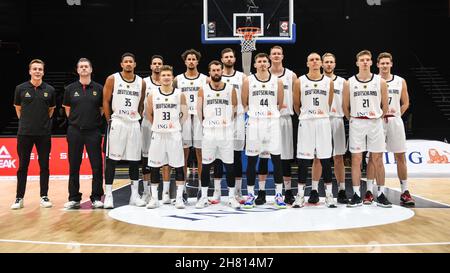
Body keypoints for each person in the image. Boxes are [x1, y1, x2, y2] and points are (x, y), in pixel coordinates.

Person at [343, 49, 391, 208]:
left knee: (377, 159)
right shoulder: (349, 82)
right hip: (357, 122)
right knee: (356, 159)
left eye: (367, 60)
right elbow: (345, 107)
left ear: (371, 62)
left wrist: (376, 116)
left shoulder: (381, 82)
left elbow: (385, 106)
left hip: (375, 122)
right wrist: (353, 118)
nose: (364, 62)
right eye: (361, 60)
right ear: (357, 63)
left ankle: (381, 194)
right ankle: (356, 195)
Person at [365, 52, 414, 206]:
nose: (385, 66)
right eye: (382, 63)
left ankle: (405, 191)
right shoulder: (373, 81)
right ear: (377, 65)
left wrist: (397, 114)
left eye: (387, 63)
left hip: (395, 121)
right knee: (373, 157)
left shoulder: (400, 81)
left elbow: (406, 102)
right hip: (377, 122)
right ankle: (369, 192)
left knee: (400, 156)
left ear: (391, 64)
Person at [102, 52, 147, 209]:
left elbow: (141, 104)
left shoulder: (141, 82)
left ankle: (134, 196)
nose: (128, 64)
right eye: (125, 62)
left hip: (133, 123)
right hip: (118, 122)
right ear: (121, 64)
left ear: (135, 64)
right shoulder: (112, 79)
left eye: (131, 62)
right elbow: (106, 101)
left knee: (135, 161)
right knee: (112, 160)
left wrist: (137, 116)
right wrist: (110, 120)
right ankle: (108, 195)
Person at [241, 53, 286, 209]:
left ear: (268, 63)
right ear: (254, 65)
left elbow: (280, 102)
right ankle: (250, 195)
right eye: (259, 61)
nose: (261, 64)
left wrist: (269, 113)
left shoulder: (277, 81)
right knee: (252, 160)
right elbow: (244, 102)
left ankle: (279, 195)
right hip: (254, 122)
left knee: (276, 159)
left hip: (272, 122)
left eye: (264, 61)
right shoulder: (248, 80)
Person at [255, 46, 298, 205]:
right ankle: (261, 192)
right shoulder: (261, 76)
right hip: (265, 120)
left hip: (284, 118)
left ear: (282, 56)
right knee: (264, 156)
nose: (276, 56)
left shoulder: (291, 76)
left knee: (285, 157)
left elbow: (297, 97)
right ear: (269, 57)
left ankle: (287, 192)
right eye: (273, 54)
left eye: (279, 53)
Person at [11, 59, 56, 210]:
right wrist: (27, 123)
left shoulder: (50, 90)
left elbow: (51, 110)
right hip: (25, 134)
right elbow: (18, 108)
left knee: (44, 166)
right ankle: (19, 197)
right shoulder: (20, 88)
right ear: (30, 71)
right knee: (23, 167)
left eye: (40, 69)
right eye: (35, 69)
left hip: (43, 134)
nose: (37, 71)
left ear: (43, 72)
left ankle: (44, 196)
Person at [292, 52, 335, 208]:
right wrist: (306, 115)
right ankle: (300, 195)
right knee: (303, 160)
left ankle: (329, 195)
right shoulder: (299, 81)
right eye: (312, 59)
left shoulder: (328, 82)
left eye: (317, 59)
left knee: (325, 159)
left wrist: (319, 114)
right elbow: (296, 105)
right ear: (307, 63)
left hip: (323, 121)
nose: (315, 62)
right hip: (306, 122)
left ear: (321, 63)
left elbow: (328, 103)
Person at [196, 60, 239, 209]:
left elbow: (234, 109)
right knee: (206, 165)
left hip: (225, 132)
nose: (216, 72)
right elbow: (199, 111)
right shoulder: (202, 89)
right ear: (209, 72)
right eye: (213, 70)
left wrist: (225, 123)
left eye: (218, 70)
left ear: (222, 71)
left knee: (229, 165)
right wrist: (208, 123)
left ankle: (232, 197)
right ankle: (203, 197)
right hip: (209, 132)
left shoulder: (230, 89)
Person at [62, 58, 104, 209]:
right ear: (77, 70)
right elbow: (68, 110)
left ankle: (97, 197)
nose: (84, 69)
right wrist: (77, 121)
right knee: (74, 166)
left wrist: (90, 121)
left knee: (97, 166)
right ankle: (74, 198)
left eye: (86, 66)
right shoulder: (70, 89)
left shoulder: (99, 88)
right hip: (75, 132)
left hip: (93, 131)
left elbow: (102, 109)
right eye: (81, 67)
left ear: (91, 69)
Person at [146, 65, 188, 209]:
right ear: (160, 77)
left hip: (174, 134)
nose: (166, 77)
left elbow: (184, 115)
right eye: (163, 75)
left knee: (178, 166)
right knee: (154, 166)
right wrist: (158, 125)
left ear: (172, 77)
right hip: (158, 134)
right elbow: (149, 114)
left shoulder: (179, 94)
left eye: (168, 75)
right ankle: (154, 198)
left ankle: (179, 198)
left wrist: (175, 126)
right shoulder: (152, 94)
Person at [209, 48, 246, 205]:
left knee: (236, 156)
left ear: (235, 59)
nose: (229, 59)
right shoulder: (215, 77)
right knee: (218, 156)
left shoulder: (242, 77)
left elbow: (245, 98)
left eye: (231, 57)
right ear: (222, 59)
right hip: (219, 121)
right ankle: (217, 192)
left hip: (237, 119)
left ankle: (237, 191)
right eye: (226, 57)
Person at [311, 53, 349, 204]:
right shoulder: (317, 81)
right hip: (321, 120)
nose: (328, 64)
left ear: (334, 64)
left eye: (331, 62)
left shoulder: (342, 82)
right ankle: (314, 190)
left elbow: (346, 104)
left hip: (337, 120)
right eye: (326, 62)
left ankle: (341, 190)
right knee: (317, 157)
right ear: (321, 64)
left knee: (338, 157)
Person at [174, 49, 208, 195]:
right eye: (189, 59)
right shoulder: (178, 79)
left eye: (194, 59)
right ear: (185, 61)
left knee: (201, 154)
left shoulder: (205, 79)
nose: (191, 61)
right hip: (184, 118)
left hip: (200, 118)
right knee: (184, 154)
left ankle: (202, 188)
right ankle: (183, 189)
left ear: (198, 61)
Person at [141, 55, 171, 204]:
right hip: (147, 124)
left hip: (164, 126)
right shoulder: (144, 83)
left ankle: (165, 193)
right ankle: (147, 192)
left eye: (160, 63)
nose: (157, 66)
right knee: (146, 159)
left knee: (166, 159)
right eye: (155, 64)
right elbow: (140, 103)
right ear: (151, 66)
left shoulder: (169, 83)